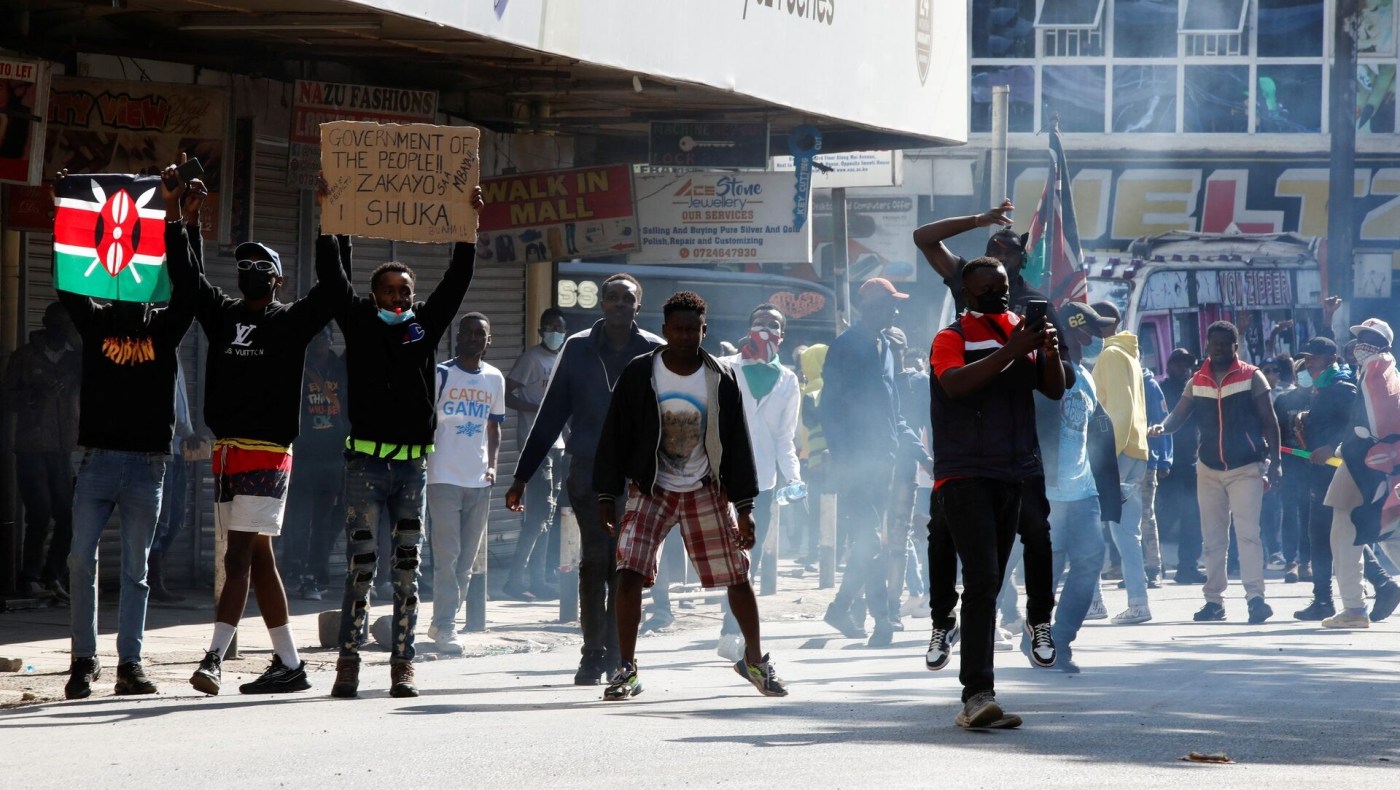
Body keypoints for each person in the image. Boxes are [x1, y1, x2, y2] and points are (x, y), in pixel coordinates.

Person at [180, 166, 355, 696]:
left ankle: (213, 659)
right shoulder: (221, 315)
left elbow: (335, 289)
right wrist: (186, 222)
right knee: (258, 559)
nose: (252, 271)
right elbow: (189, 280)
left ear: (278, 279)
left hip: (268, 454)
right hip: (228, 454)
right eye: (245, 264)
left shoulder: (291, 321)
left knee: (237, 556)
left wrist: (331, 222)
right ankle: (290, 665)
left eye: (263, 266)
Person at [326, 184, 485, 699]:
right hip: (364, 468)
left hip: (412, 472)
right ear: (374, 295)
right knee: (361, 570)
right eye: (389, 290)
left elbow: (456, 281)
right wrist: (334, 220)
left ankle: (403, 666)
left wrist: (468, 229)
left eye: (405, 290)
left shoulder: (425, 325)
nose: (398, 297)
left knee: (407, 574)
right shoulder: (358, 322)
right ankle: (347, 665)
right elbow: (333, 275)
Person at [593, 291, 786, 699]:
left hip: (704, 488)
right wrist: (606, 495)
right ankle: (626, 668)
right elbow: (614, 435)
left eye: (692, 330)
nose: (684, 336)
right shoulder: (640, 373)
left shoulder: (720, 377)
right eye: (677, 329)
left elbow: (737, 443)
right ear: (665, 330)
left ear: (704, 330)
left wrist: (745, 507)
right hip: (651, 488)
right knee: (628, 571)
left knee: (737, 576)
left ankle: (754, 659)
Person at [56, 164, 196, 699]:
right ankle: (83, 661)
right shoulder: (96, 322)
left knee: (136, 571)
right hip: (97, 462)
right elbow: (70, 283)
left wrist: (179, 221)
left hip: (146, 467)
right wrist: (65, 210)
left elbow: (189, 292)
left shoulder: (165, 328)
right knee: (80, 561)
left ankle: (129, 665)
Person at [915, 203, 1072, 641]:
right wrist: (979, 219)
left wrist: (1042, 353)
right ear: (967, 291)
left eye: (1009, 254)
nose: (1000, 262)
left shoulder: (1035, 307)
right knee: (944, 532)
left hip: (1020, 439)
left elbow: (1063, 378)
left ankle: (1037, 621)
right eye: (993, 251)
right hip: (965, 441)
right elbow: (924, 237)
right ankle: (944, 623)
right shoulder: (963, 309)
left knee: (1035, 532)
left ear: (1021, 261)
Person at [926, 257, 1065, 729]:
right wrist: (1012, 350)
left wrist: (1046, 352)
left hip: (1014, 472)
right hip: (963, 473)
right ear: (966, 294)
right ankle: (977, 695)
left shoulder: (1020, 330)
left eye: (1001, 285)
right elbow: (955, 385)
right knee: (982, 579)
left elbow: (1053, 390)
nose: (996, 293)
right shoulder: (952, 337)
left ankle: (1023, 638)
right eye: (985, 288)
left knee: (994, 579)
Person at [506, 274, 662, 685]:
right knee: (595, 560)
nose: (619, 304)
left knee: (625, 565)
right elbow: (550, 415)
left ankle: (619, 652)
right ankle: (592, 653)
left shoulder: (654, 350)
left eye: (627, 298)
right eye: (612, 297)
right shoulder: (577, 348)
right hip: (587, 470)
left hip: (638, 477)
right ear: (602, 304)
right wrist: (522, 476)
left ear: (638, 306)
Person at [820, 278, 929, 647]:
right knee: (871, 541)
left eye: (896, 305)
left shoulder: (885, 346)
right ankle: (882, 619)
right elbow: (829, 409)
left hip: (883, 463)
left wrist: (921, 455)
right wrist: (843, 461)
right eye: (889, 304)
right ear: (868, 307)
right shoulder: (846, 346)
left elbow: (894, 413)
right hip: (855, 465)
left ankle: (841, 607)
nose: (896, 311)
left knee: (871, 543)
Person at [1149, 322, 1281, 624]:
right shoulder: (1197, 380)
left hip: (1245, 468)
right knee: (1212, 540)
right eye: (1214, 343)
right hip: (1208, 469)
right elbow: (1178, 415)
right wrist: (1162, 428)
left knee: (1248, 536)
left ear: (1235, 346)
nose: (1218, 348)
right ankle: (1214, 602)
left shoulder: (1252, 376)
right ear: (1207, 346)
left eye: (1224, 343)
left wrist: (1276, 462)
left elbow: (1270, 420)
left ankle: (1256, 599)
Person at [1036, 302, 1122, 673]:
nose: (1099, 338)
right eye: (1093, 331)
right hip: (1050, 495)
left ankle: (1061, 640)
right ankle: (1037, 638)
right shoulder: (1041, 371)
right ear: (1075, 331)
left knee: (1090, 561)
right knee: (1048, 573)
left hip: (1084, 493)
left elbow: (1095, 435)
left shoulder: (1086, 375)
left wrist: (1108, 487)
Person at [716, 303, 802, 661]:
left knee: (746, 555)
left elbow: (785, 437)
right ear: (749, 328)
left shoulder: (788, 380)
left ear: (782, 335)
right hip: (722, 478)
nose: (766, 328)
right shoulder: (725, 368)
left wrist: (794, 479)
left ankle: (731, 629)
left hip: (761, 483)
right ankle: (730, 628)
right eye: (760, 323)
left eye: (773, 325)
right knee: (728, 555)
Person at [426, 314, 505, 653]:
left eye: (480, 333)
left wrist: (493, 467)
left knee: (466, 563)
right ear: (457, 337)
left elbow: (494, 427)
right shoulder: (441, 373)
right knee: (447, 556)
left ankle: (441, 621)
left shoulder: (495, 378)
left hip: (478, 480)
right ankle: (447, 626)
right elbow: (426, 419)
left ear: (489, 340)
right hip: (442, 476)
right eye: (468, 332)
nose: (473, 338)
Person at [1323, 319, 1400, 628]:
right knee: (1388, 532)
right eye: (1360, 338)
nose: (1361, 344)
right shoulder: (1387, 370)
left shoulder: (1377, 370)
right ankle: (1354, 606)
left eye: (1369, 338)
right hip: (1379, 464)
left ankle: (1354, 608)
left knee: (1345, 533)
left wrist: (1348, 447)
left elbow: (1375, 423)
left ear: (1383, 344)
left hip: (1363, 464)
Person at [3, 301, 80, 600]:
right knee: (39, 513)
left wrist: (78, 341)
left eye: (67, 324)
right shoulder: (25, 356)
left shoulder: (74, 360)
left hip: (62, 448)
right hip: (31, 447)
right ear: (45, 323)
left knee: (68, 515)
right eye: (57, 323)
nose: (61, 329)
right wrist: (34, 395)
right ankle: (30, 578)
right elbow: (6, 398)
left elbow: (98, 370)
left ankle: (52, 576)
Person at [1086, 301, 1153, 625]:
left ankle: (1094, 602)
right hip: (1136, 451)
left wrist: (1105, 459)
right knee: (1127, 534)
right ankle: (1138, 603)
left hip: (1117, 454)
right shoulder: (1128, 353)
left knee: (1089, 528)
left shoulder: (1111, 355)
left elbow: (1120, 411)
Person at [503, 308, 568, 601]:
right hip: (536, 445)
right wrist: (535, 409)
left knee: (548, 514)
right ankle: (516, 580)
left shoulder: (563, 359)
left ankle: (538, 578)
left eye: (559, 328)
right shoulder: (532, 359)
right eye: (549, 328)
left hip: (558, 445)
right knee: (539, 514)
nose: (555, 333)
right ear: (541, 331)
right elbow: (507, 394)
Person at [1290, 337, 1357, 621]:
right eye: (1306, 359)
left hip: (1338, 473)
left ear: (1331, 359)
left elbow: (1358, 425)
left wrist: (1331, 446)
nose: (1308, 364)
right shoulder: (1321, 389)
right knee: (1323, 536)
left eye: (1314, 358)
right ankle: (1323, 599)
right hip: (1320, 475)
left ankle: (1379, 584)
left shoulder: (1342, 388)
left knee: (1338, 535)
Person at [282, 326, 349, 601]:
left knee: (325, 522)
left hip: (333, 459)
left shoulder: (341, 369)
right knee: (297, 519)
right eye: (314, 336)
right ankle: (294, 571)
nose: (319, 341)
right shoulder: (297, 368)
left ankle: (315, 575)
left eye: (323, 336)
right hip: (303, 458)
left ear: (331, 340)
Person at [149, 360, 203, 603]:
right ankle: (152, 580)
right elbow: (163, 405)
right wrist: (187, 432)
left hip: (177, 451)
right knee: (162, 520)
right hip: (163, 451)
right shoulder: (160, 356)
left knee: (176, 520)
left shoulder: (178, 358)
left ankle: (152, 575)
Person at [1158, 349, 1206, 584]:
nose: (1183, 369)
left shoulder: (1196, 391)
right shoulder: (1160, 390)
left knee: (1192, 518)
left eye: (1187, 365)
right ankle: (1152, 564)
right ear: (1168, 367)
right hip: (1167, 466)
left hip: (1191, 465)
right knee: (1164, 518)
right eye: (1178, 364)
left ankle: (1187, 567)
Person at [1142, 365, 1173, 587]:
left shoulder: (1150, 385)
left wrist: (1164, 458)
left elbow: (1162, 422)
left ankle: (1154, 568)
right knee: (1124, 520)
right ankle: (1133, 569)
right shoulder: (1114, 379)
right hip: (1121, 461)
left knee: (1146, 515)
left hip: (1146, 461)